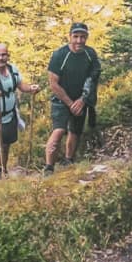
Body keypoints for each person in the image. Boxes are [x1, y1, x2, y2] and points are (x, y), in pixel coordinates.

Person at [0, 43, 41, 179]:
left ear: (8, 55)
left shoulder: (13, 70)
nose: (1, 58)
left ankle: (2, 171)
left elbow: (20, 85)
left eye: (4, 54)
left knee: (5, 147)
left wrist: (31, 88)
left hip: (9, 116)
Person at [44, 21, 101, 175]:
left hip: (81, 100)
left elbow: (93, 77)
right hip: (61, 100)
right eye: (75, 36)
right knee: (58, 131)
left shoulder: (91, 54)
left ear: (87, 37)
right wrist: (70, 103)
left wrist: (82, 100)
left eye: (82, 37)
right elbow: (53, 83)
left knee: (75, 131)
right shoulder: (59, 55)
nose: (79, 41)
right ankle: (49, 167)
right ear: (70, 37)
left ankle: (69, 160)